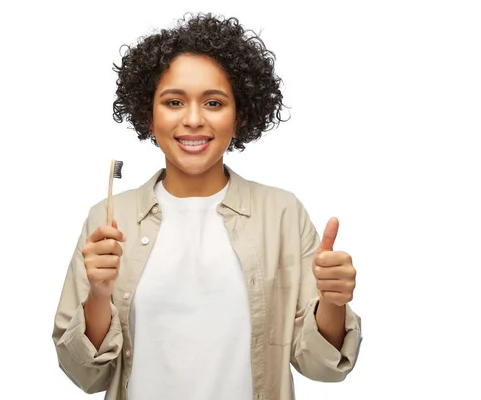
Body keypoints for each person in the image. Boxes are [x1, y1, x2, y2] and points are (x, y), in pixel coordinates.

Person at [52, 12, 362, 400]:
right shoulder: (110, 218)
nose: (194, 120)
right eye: (174, 102)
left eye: (214, 103)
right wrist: (98, 294)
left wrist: (332, 304)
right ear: (149, 117)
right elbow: (85, 375)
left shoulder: (282, 215)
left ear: (240, 115)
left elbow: (322, 367)